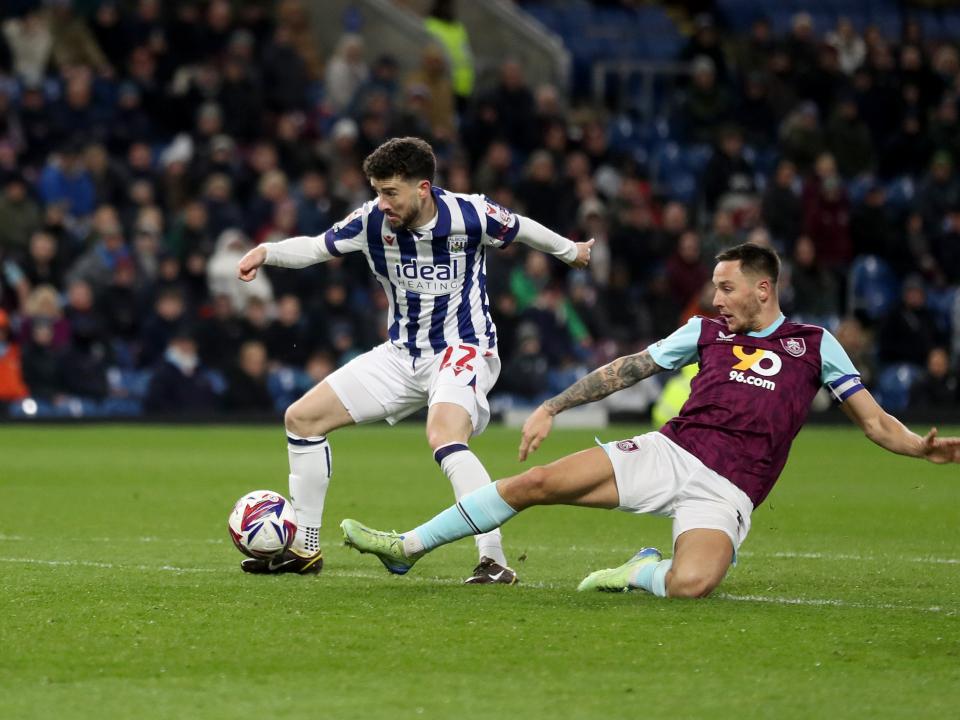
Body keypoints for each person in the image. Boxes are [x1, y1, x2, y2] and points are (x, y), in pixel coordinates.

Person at [341, 243, 960, 598]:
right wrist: (553, 406)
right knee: (536, 483)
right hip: (670, 453)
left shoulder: (815, 344)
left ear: (763, 288)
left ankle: (639, 569)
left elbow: (875, 422)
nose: (716, 299)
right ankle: (407, 547)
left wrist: (918, 448)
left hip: (730, 490)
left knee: (692, 586)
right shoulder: (704, 331)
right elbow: (629, 368)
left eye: (726, 288)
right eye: (715, 288)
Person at [237, 136, 593, 581]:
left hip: (463, 348)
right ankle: (305, 548)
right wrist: (266, 252)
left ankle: (493, 559)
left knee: (444, 435)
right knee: (302, 419)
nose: (382, 202)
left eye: (390, 192)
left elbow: (521, 227)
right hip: (401, 354)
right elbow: (316, 247)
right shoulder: (371, 221)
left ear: (423, 188)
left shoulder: (470, 213)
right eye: (377, 191)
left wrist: (571, 251)